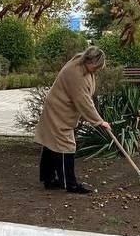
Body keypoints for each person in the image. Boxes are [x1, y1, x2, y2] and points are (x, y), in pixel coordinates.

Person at [34, 46, 110, 194]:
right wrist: (99, 121)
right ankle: (69, 184)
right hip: (58, 110)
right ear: (90, 61)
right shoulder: (76, 73)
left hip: (59, 107)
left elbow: (85, 97)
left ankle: (48, 179)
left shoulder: (80, 63)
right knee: (65, 145)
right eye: (96, 67)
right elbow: (84, 101)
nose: (97, 70)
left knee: (51, 143)